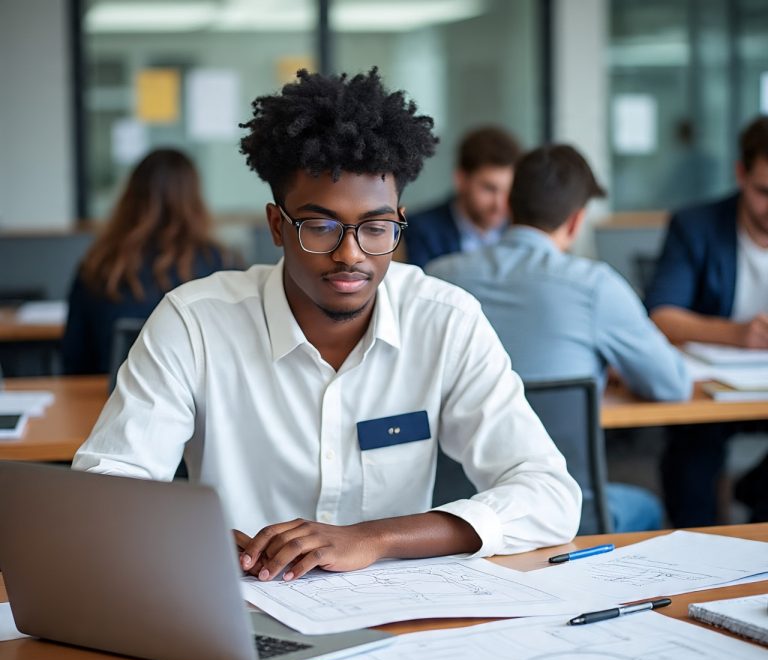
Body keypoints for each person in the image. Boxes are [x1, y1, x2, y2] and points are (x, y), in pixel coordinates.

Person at [72, 69, 580, 582]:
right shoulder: (194, 322)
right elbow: (103, 493)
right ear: (277, 225)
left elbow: (549, 495)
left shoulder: (445, 319)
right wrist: (189, 538)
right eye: (320, 227)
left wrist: (375, 537)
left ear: (398, 222)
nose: (350, 255)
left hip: (397, 615)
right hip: (243, 604)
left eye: (376, 228)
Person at [427, 144, 691, 532]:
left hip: (454, 512)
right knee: (646, 506)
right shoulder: (596, 286)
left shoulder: (438, 277)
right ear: (575, 220)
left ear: (510, 206)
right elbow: (672, 385)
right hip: (565, 514)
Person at [646, 116, 768, 527]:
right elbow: (661, 315)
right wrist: (738, 335)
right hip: (710, 389)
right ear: (741, 174)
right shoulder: (696, 226)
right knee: (692, 459)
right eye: (763, 192)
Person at [61, 148, 229, 374]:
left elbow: (74, 362)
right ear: (194, 198)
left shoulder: (98, 266)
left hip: (109, 402)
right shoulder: (219, 264)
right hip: (197, 405)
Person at [403, 126, 521, 268]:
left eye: (509, 190)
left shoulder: (520, 231)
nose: (500, 204)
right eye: (489, 189)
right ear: (461, 180)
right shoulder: (422, 230)